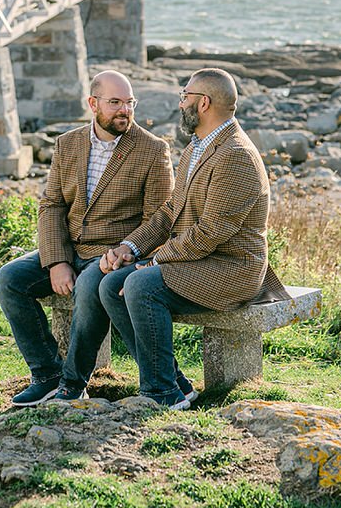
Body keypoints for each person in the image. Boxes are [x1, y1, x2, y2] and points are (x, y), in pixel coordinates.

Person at [99, 67, 288, 408]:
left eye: (184, 96)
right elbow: (169, 212)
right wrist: (130, 248)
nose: (180, 103)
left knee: (143, 286)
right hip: (201, 261)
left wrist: (154, 261)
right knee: (112, 285)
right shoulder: (197, 148)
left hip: (232, 270)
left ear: (202, 103)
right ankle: (175, 383)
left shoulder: (236, 156)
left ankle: (161, 394)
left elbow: (209, 233)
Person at [0, 69, 173, 406]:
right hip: (70, 247)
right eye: (115, 102)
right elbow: (52, 204)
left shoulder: (152, 150)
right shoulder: (68, 143)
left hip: (112, 255)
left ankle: (72, 383)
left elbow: (160, 218)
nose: (124, 110)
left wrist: (126, 251)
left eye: (129, 102)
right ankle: (46, 375)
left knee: (89, 287)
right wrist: (57, 260)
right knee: (9, 279)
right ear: (93, 103)